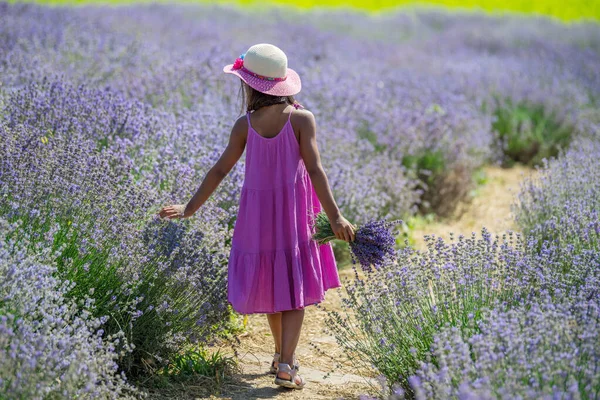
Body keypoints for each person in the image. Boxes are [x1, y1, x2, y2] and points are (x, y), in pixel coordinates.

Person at [158, 43, 355, 390]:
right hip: (294, 215)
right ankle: (287, 364)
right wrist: (335, 217)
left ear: (250, 86)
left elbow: (219, 170)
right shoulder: (301, 118)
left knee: (273, 284)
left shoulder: (244, 124)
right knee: (294, 288)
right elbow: (316, 170)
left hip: (257, 218)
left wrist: (189, 208)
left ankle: (281, 355)